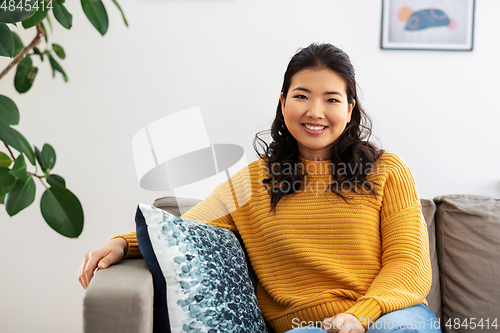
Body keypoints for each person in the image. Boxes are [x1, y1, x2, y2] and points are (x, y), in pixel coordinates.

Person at [79, 43, 440, 333]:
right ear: (283, 103)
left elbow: (408, 265)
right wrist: (122, 243)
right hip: (307, 326)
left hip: (388, 314)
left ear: (349, 110)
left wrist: (361, 315)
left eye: (331, 99)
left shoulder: (387, 171)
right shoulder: (253, 180)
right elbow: (189, 226)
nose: (316, 111)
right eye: (302, 96)